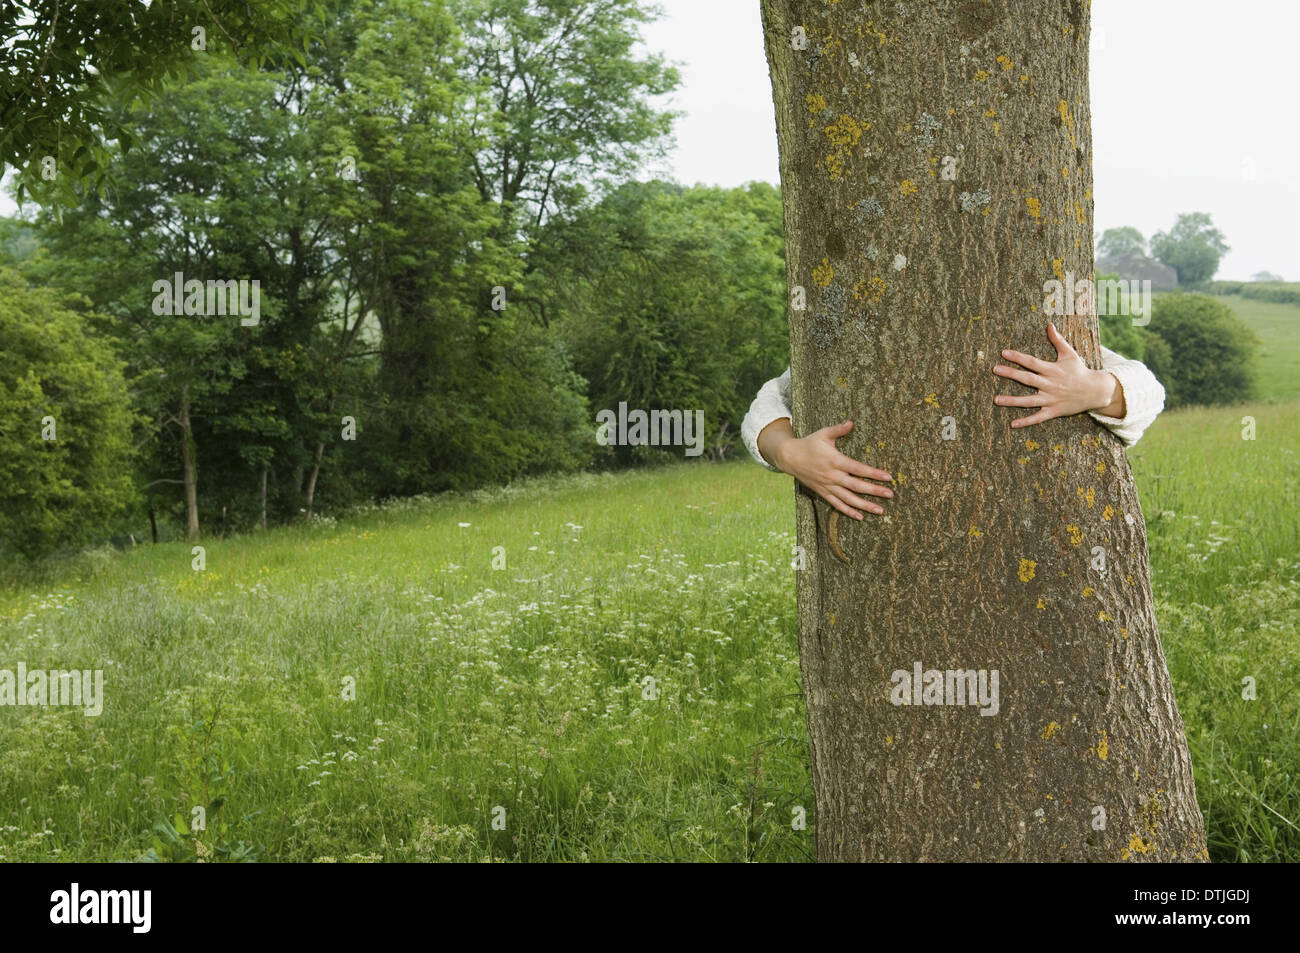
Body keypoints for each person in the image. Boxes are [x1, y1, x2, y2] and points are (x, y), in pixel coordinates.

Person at [741, 322, 1165, 521]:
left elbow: (1148, 390)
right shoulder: (866, 329)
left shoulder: (1038, 335)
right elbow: (773, 395)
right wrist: (789, 451)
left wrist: (1095, 389)